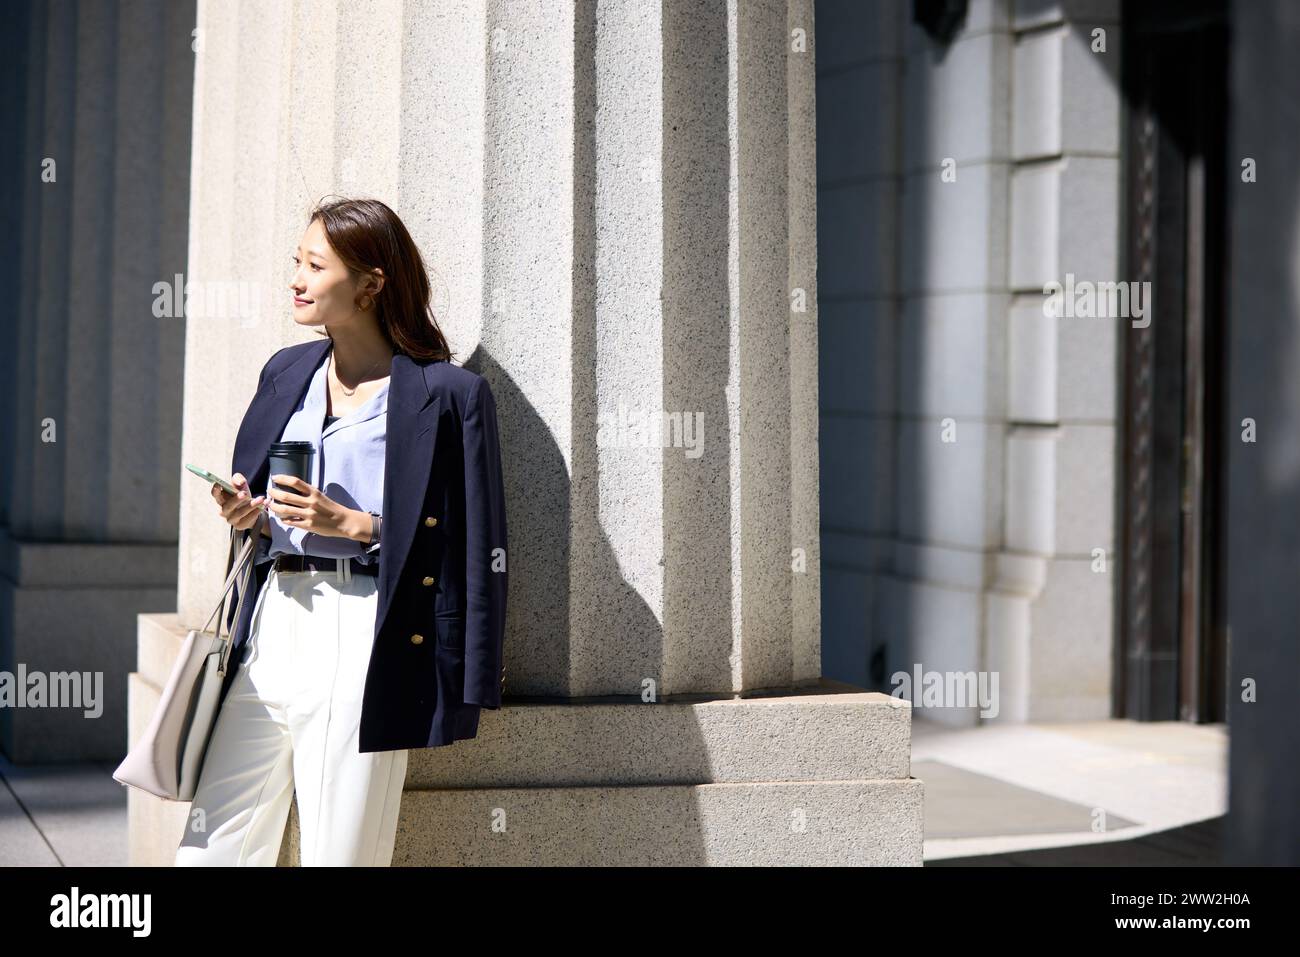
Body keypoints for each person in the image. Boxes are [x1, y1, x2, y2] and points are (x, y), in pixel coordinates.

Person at [174, 197, 508, 866]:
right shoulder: (286, 370)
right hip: (270, 625)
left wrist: (356, 524)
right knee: (212, 849)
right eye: (295, 261)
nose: (295, 278)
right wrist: (251, 515)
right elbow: (267, 497)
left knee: (340, 854)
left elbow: (475, 545)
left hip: (365, 632)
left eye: (314, 264)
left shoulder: (447, 395)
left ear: (370, 284)